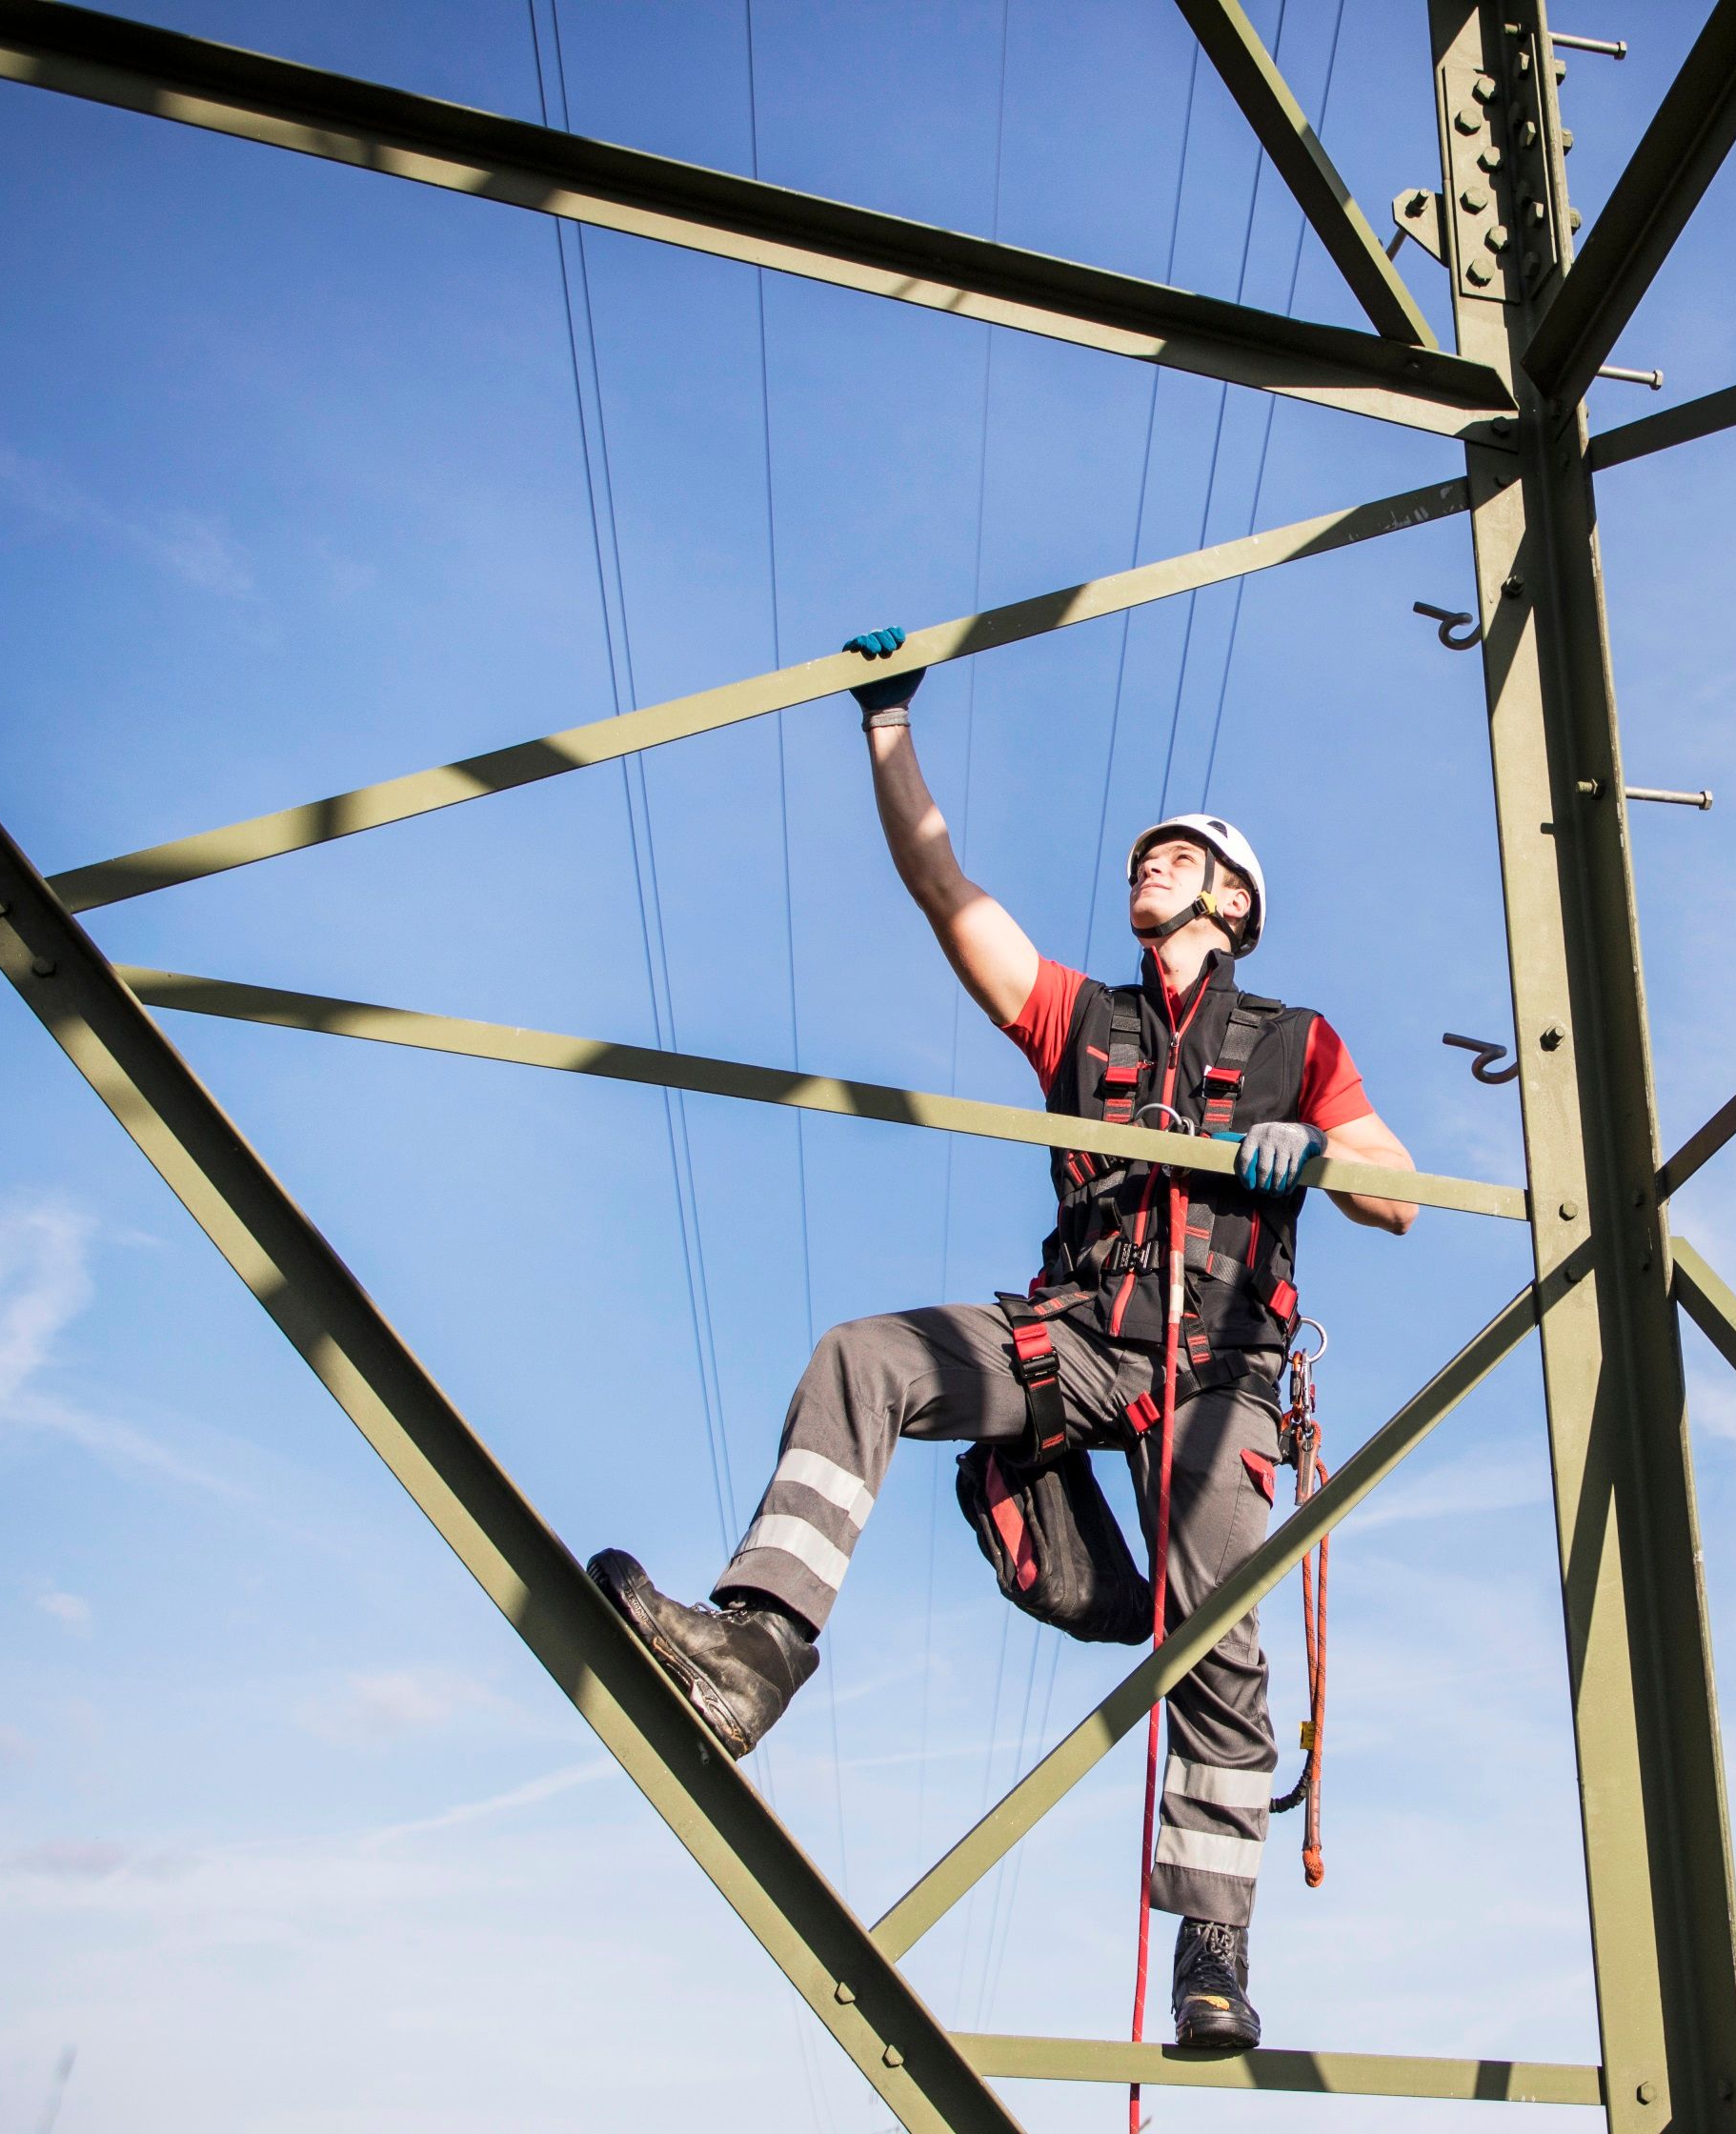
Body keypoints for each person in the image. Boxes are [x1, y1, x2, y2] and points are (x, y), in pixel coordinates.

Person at [589, 626, 1419, 2052]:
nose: (1139, 865)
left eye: (1171, 856)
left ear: (1230, 897)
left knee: (1223, 1635)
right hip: (1080, 1338)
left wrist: (1318, 1152)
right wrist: (887, 729)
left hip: (1217, 1379)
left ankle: (1214, 1948)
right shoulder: (1078, 1019)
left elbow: (1400, 1195)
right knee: (868, 1355)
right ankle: (756, 1650)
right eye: (1144, 857)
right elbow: (941, 887)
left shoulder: (1296, 1039)